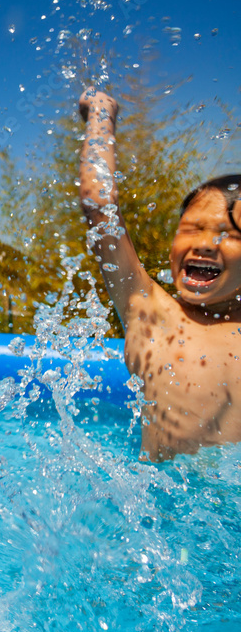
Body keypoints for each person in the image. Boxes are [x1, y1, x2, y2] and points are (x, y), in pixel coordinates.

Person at [78, 87, 241, 460]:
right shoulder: (152, 313)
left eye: (226, 234)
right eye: (190, 229)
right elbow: (99, 207)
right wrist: (101, 115)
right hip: (160, 513)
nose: (204, 243)